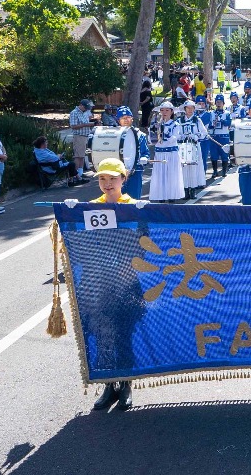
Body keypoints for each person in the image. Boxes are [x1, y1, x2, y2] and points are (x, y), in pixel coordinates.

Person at [81, 157, 139, 410]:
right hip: (99, 283)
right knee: (103, 334)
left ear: (123, 179)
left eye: (112, 178)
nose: (107, 183)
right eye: (102, 179)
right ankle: (108, 385)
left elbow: (143, 247)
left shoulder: (135, 207)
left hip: (127, 283)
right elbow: (82, 244)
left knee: (124, 333)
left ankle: (125, 384)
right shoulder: (90, 208)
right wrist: (69, 214)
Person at [149, 101, 185, 203]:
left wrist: (163, 132)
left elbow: (174, 138)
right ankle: (161, 195)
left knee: (171, 175)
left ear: (171, 112)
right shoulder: (155, 124)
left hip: (171, 153)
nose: (164, 112)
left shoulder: (175, 124)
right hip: (159, 153)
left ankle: (171, 195)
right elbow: (151, 139)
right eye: (162, 110)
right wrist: (154, 133)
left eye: (167, 110)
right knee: (160, 175)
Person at [115, 106, 150, 199]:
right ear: (119, 120)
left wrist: (144, 158)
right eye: (123, 118)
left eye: (128, 117)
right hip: (117, 172)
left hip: (135, 171)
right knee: (116, 200)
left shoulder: (140, 135)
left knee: (134, 200)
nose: (125, 120)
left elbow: (145, 152)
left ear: (132, 119)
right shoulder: (114, 134)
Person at [177, 100, 208, 199]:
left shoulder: (197, 120)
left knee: (194, 168)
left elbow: (204, 132)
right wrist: (181, 137)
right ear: (184, 109)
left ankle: (193, 190)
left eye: (192, 108)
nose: (190, 110)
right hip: (183, 147)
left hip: (194, 146)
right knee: (184, 168)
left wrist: (196, 136)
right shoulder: (179, 121)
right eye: (188, 108)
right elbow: (176, 134)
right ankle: (185, 190)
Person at [69, 99, 98, 180]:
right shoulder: (74, 113)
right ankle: (75, 175)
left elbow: (86, 122)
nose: (86, 109)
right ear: (81, 105)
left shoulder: (84, 112)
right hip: (79, 136)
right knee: (78, 156)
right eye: (85, 107)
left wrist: (92, 123)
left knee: (82, 156)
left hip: (85, 135)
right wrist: (86, 124)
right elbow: (73, 126)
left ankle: (80, 173)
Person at [208, 94, 232, 178]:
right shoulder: (211, 113)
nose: (218, 104)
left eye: (220, 102)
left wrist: (221, 120)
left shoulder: (227, 113)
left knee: (224, 154)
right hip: (214, 136)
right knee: (214, 154)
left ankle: (224, 171)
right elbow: (208, 125)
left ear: (223, 103)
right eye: (217, 102)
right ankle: (215, 171)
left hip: (224, 136)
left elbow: (229, 123)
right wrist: (212, 124)